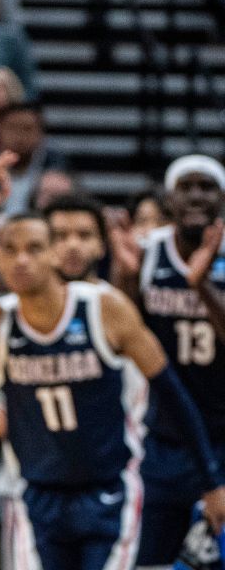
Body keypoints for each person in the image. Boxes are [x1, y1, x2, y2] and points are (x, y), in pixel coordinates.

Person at [0, 152, 225, 569]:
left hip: (109, 493)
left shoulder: (104, 309)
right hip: (37, 497)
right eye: (10, 250)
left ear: (54, 254)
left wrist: (212, 481)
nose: (21, 260)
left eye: (34, 248)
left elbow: (174, 394)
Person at [109, 155, 225, 565]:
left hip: (222, 434)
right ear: (170, 198)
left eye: (206, 186)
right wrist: (125, 277)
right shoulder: (147, 252)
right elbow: (121, 337)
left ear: (222, 197)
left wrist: (201, 286)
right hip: (165, 437)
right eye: (186, 186)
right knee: (152, 559)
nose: (196, 195)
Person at [43, 193, 108, 284]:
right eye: (60, 235)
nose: (73, 245)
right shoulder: (17, 298)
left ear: (102, 245)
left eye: (84, 235)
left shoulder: (119, 298)